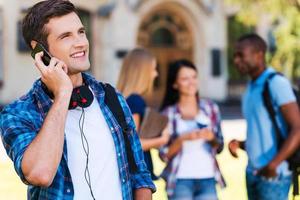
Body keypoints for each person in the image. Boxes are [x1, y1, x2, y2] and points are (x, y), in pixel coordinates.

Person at [0, 1, 155, 199]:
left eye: (81, 32)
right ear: (39, 51)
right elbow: (40, 173)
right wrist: (63, 94)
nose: (81, 42)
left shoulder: (112, 98)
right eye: (66, 36)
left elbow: (139, 175)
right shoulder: (18, 114)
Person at [228, 33, 300, 200]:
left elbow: (297, 128)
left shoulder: (276, 83)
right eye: (235, 56)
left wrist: (273, 164)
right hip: (253, 172)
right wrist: (241, 144)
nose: (236, 61)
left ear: (259, 54)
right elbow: (263, 132)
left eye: (241, 55)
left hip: (273, 176)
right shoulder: (250, 87)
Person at [159, 59, 225, 200]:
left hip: (208, 178)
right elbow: (164, 155)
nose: (191, 82)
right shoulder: (168, 113)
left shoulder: (210, 108)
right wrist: (183, 139)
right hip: (180, 181)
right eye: (185, 79)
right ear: (175, 84)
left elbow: (219, 146)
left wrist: (211, 138)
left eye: (194, 77)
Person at [116, 48, 170, 180]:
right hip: (137, 176)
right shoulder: (135, 101)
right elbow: (134, 143)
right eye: (153, 69)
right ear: (142, 72)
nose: (156, 74)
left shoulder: (121, 99)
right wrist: (163, 139)